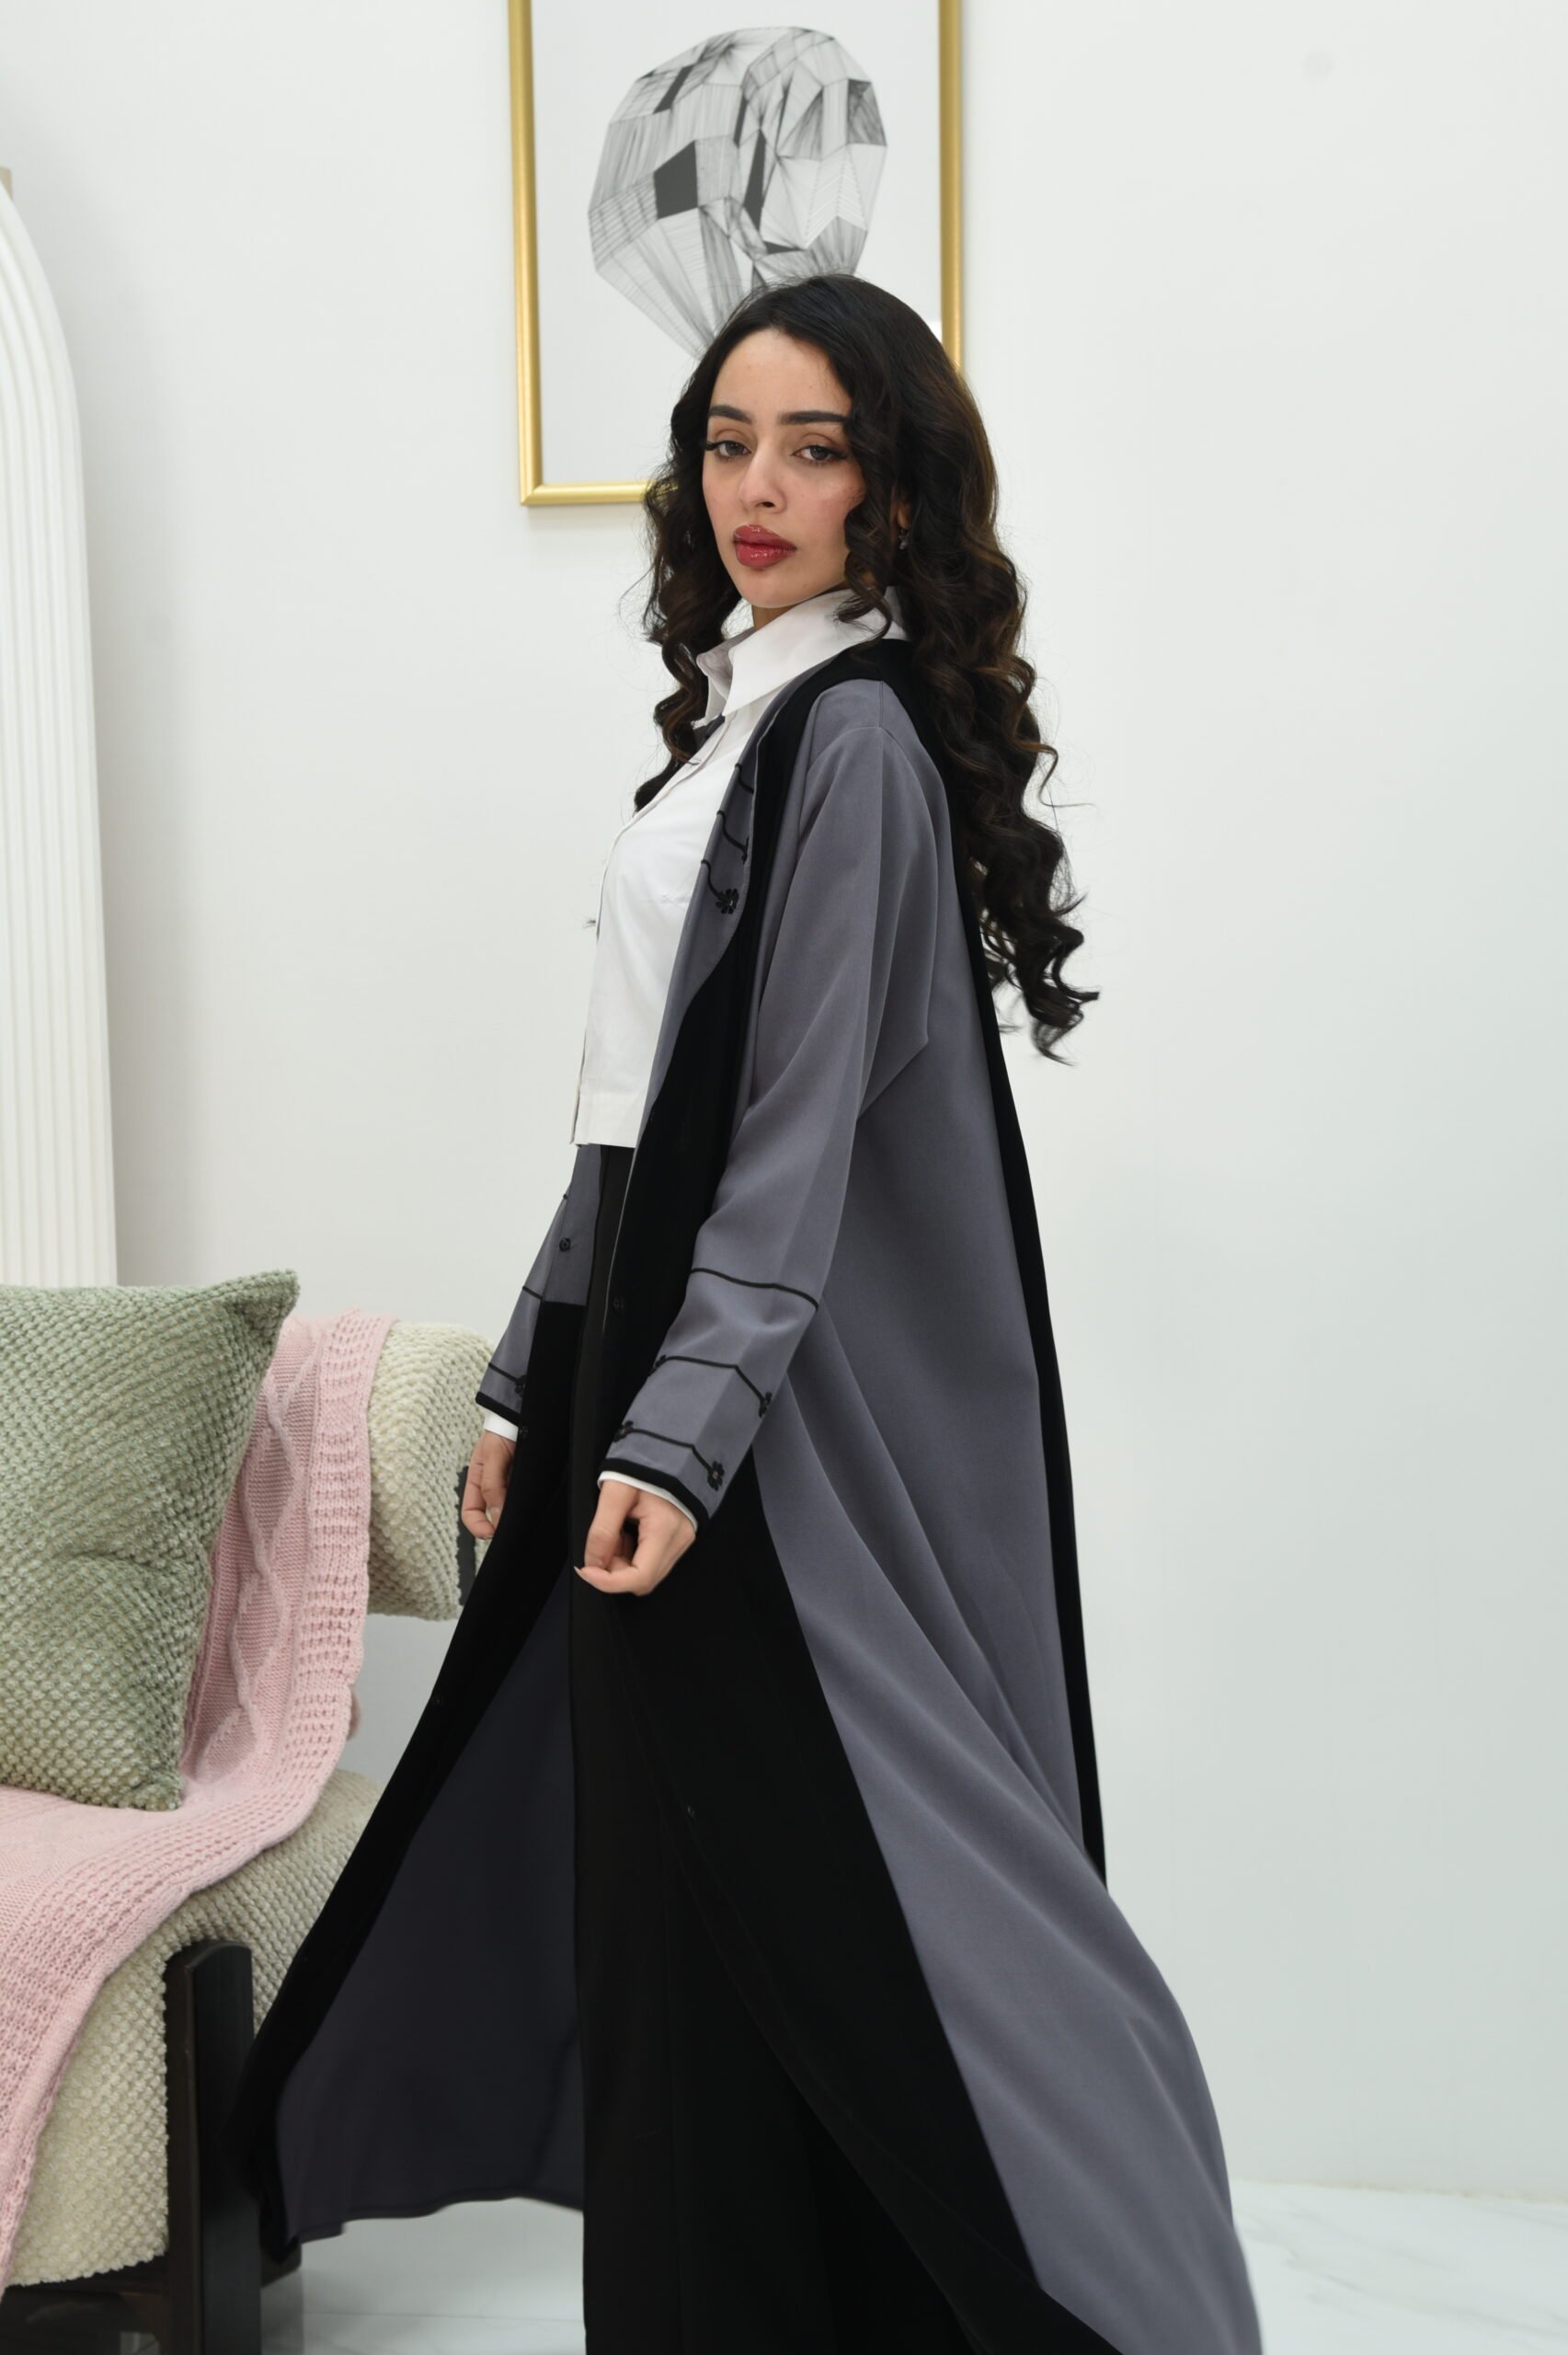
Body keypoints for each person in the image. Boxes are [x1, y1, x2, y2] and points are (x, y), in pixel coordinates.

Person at [226, 274, 1264, 2355]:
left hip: (742, 1423)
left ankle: (1102, 2298)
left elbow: (789, 1144)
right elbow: (624, 1124)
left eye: (813, 447)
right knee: (675, 1900)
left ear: (895, 492)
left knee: (870, 1870)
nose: (756, 486)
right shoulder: (740, 723)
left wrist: (676, 1436)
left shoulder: (851, 740)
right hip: (647, 1379)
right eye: (725, 442)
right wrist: (529, 1378)